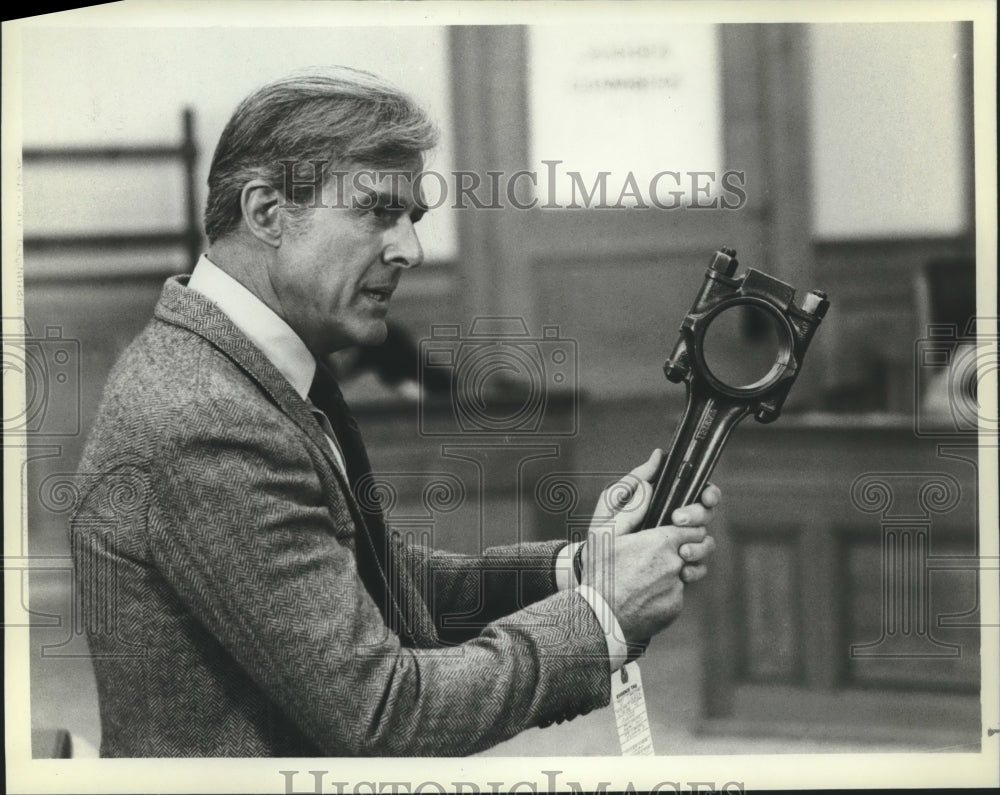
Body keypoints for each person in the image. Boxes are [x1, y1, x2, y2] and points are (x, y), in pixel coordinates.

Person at [70, 67, 719, 757]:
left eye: (411, 218)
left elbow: (387, 583)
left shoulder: (249, 364)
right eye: (378, 212)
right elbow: (381, 713)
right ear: (266, 213)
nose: (408, 249)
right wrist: (599, 617)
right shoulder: (206, 414)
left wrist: (583, 569)